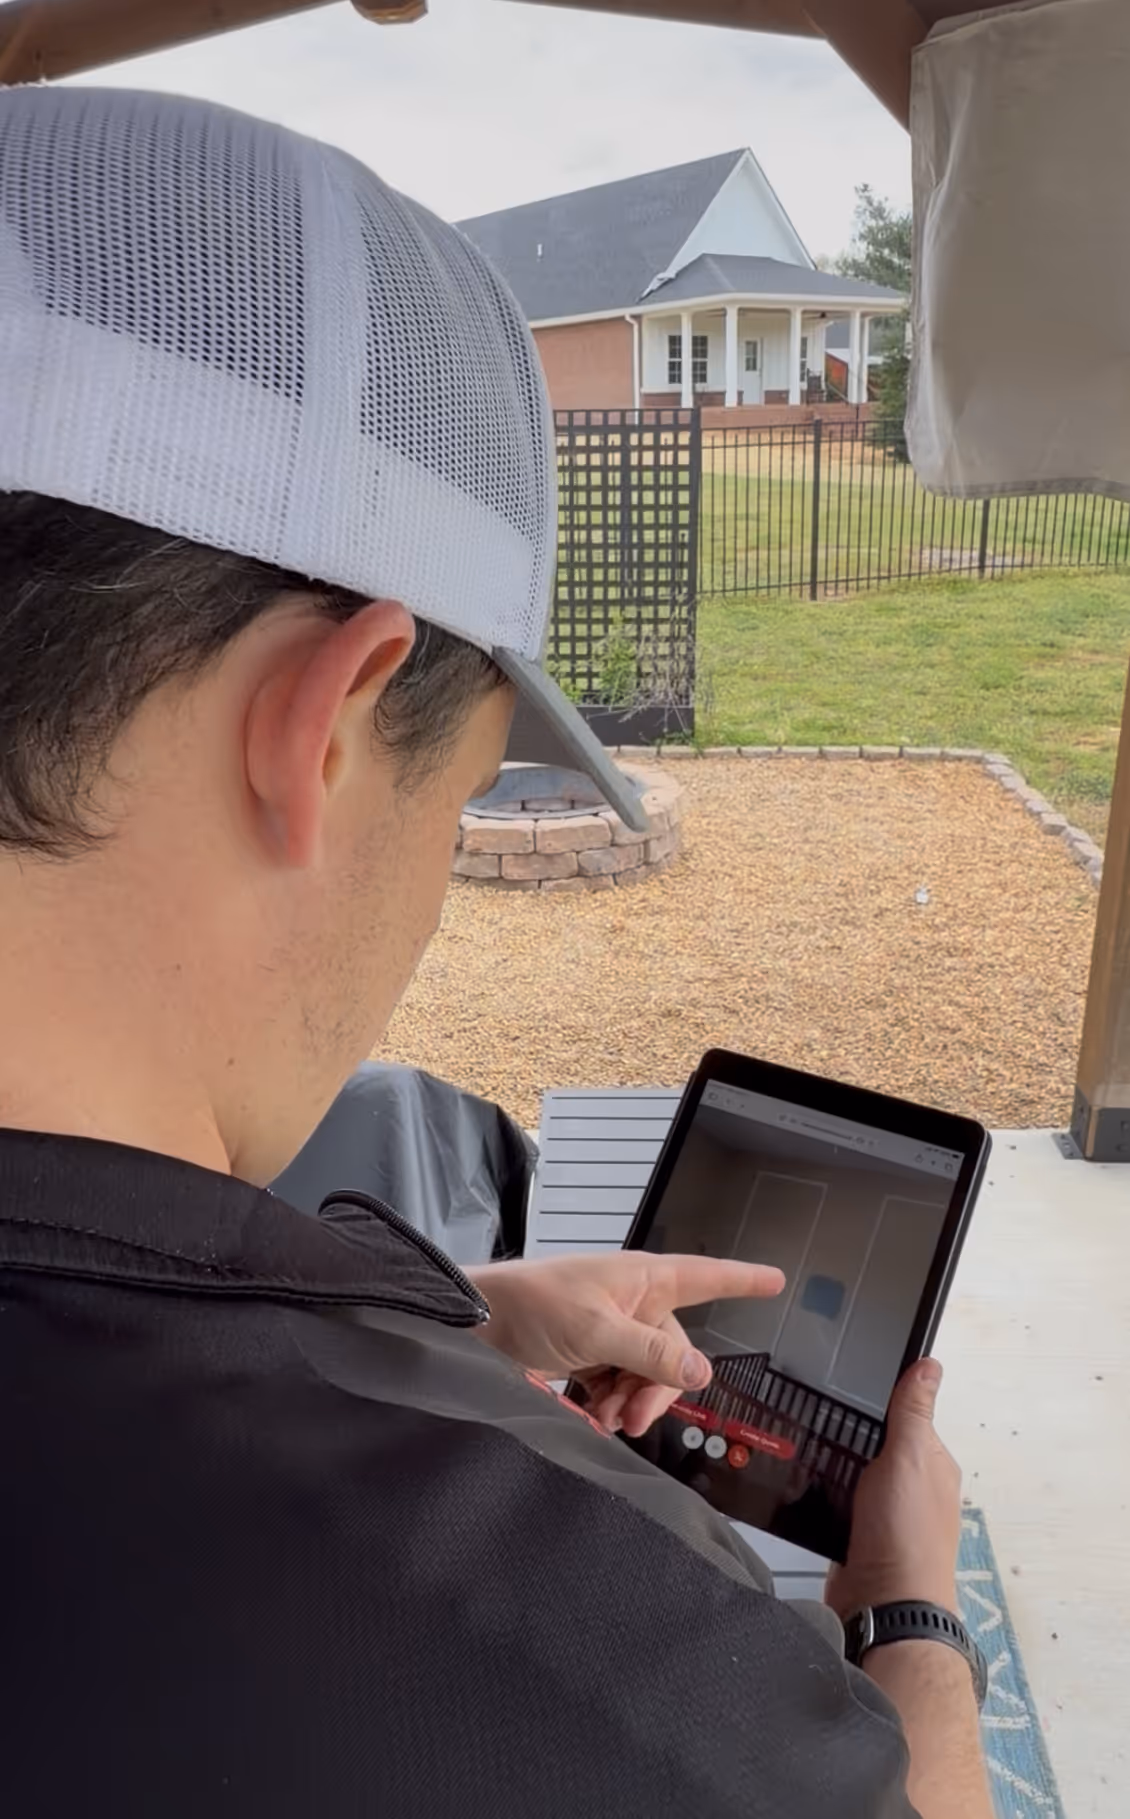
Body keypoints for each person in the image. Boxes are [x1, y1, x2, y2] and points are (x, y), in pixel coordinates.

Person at [0, 87, 992, 1819]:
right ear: (323, 723)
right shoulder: (596, 1667)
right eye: (458, 798)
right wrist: (911, 1617)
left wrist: (452, 1325)